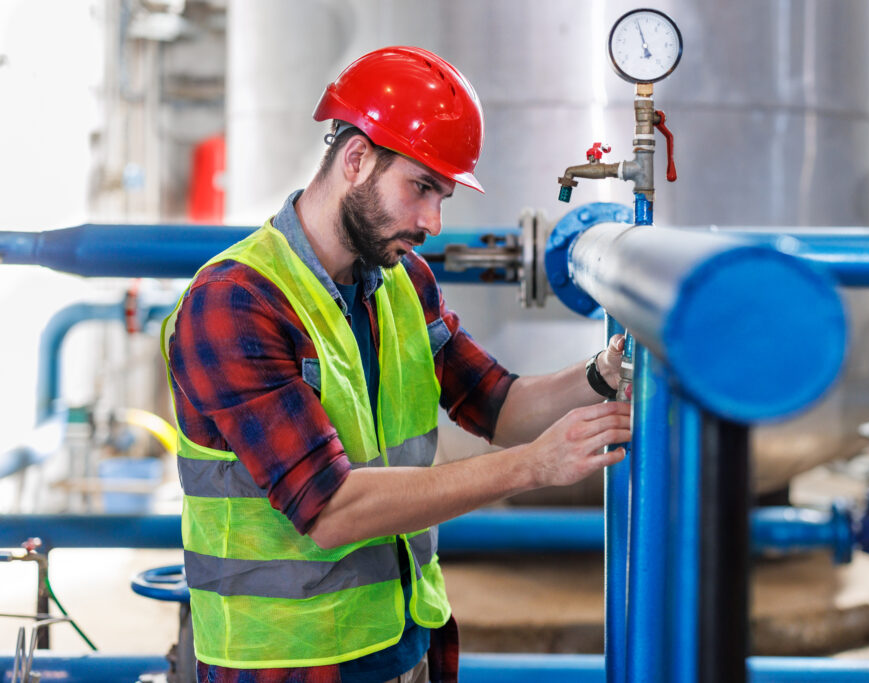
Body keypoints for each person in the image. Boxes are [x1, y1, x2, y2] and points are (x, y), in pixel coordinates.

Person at [162, 46, 630, 683]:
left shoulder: (402, 280)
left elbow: (498, 404)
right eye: (420, 188)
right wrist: (533, 466)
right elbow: (330, 511)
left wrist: (600, 374)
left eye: (443, 196)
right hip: (286, 663)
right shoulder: (233, 304)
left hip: (405, 644)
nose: (434, 221)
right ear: (356, 159)